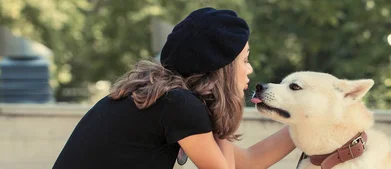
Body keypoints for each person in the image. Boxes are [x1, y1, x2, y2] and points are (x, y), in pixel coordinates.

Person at [52, 7, 296, 169]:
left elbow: (247, 162)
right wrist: (222, 118)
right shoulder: (178, 104)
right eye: (244, 60)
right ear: (222, 67)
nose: (250, 69)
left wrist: (305, 124)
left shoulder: (167, 99)